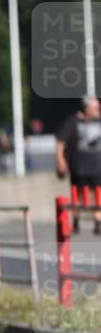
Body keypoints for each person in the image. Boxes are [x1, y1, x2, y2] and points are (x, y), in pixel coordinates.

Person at [57, 96, 101, 234]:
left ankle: (98, 222)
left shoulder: (99, 121)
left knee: (98, 194)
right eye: (96, 108)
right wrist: (60, 160)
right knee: (78, 195)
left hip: (97, 166)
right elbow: (59, 141)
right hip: (78, 166)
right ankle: (76, 222)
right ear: (87, 108)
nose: (98, 110)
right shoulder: (73, 121)